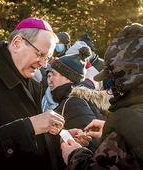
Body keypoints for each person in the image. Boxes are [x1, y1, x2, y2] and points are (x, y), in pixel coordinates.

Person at [0, 17, 66, 170]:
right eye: (40, 54)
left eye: (47, 58)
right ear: (17, 43)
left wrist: (61, 140)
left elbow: (34, 142)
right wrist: (29, 126)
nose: (43, 64)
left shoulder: (32, 83)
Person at [61, 23, 143, 169]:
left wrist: (74, 154)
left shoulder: (127, 122)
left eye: (111, 82)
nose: (109, 89)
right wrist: (110, 131)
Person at [50, 46, 104, 153]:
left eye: (54, 75)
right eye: (49, 75)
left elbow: (91, 143)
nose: (50, 80)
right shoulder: (77, 99)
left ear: (69, 78)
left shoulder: (74, 102)